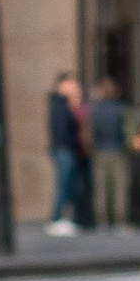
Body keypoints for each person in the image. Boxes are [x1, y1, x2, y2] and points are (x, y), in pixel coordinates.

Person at [86, 76, 134, 229]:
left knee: (101, 189)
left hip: (100, 152)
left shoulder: (94, 110)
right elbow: (130, 132)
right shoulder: (121, 109)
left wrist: (91, 148)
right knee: (119, 188)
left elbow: (88, 134)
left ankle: (102, 221)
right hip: (117, 151)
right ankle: (120, 221)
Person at [44, 75, 88, 234]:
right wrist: (73, 141)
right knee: (64, 185)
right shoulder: (59, 104)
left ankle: (62, 219)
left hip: (65, 149)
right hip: (64, 149)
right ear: (62, 86)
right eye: (72, 85)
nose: (75, 89)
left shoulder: (61, 104)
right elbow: (62, 129)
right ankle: (57, 220)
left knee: (67, 185)